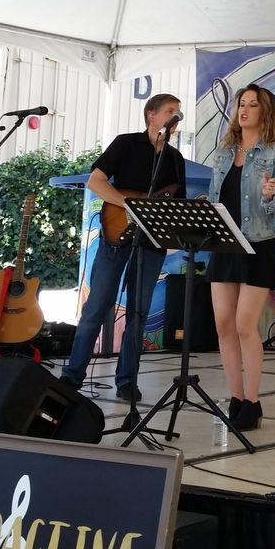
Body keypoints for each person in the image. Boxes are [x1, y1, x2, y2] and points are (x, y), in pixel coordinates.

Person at [61, 93, 186, 402]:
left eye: (178, 113)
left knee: (138, 314)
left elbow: (176, 202)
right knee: (96, 307)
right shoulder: (126, 144)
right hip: (115, 236)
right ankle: (72, 376)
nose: (175, 117)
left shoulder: (175, 159)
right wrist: (129, 204)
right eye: (170, 111)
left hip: (151, 243)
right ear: (151, 115)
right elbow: (96, 181)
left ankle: (127, 381)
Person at [207, 85, 275, 432]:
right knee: (223, 324)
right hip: (223, 241)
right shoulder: (223, 151)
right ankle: (236, 397)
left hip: (259, 242)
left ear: (265, 112)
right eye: (241, 104)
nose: (244, 110)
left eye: (253, 105)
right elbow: (215, 195)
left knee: (244, 324)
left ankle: (253, 402)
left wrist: (271, 196)